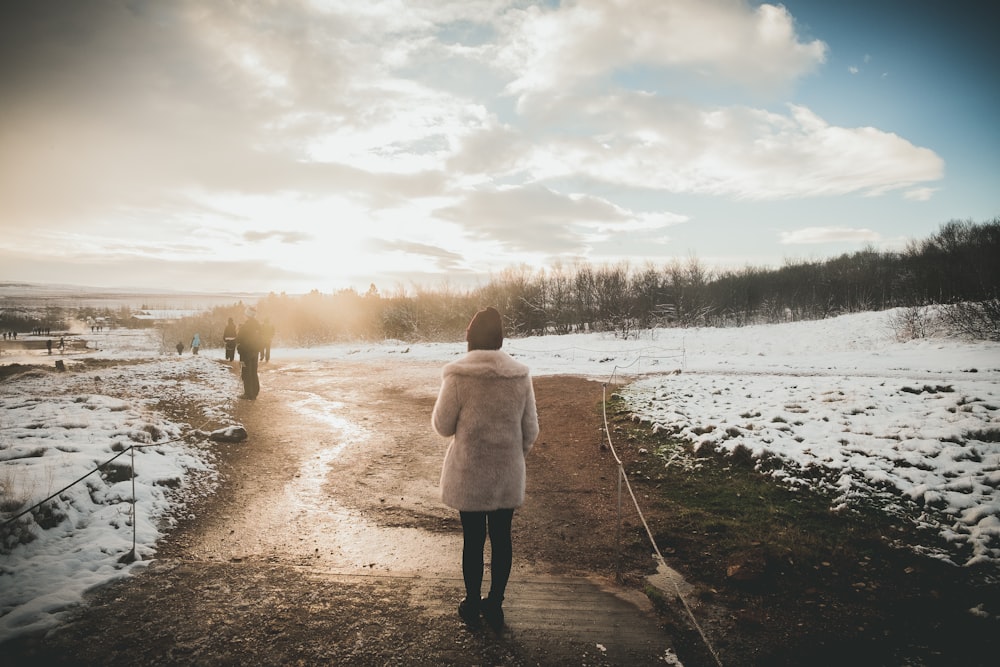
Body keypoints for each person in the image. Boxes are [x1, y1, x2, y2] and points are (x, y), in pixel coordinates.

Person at [432, 307, 539, 632]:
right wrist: (511, 456)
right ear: (499, 338)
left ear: (470, 337)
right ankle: (495, 604)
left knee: (474, 540)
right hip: (506, 475)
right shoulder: (519, 375)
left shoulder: (459, 375)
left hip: (469, 475)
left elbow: (442, 425)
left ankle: (471, 602)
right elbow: (530, 430)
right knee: (502, 539)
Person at [236, 308, 262, 399]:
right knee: (253, 372)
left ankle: (248, 394)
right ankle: (254, 392)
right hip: (255, 352)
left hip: (245, 353)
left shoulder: (245, 327)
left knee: (246, 372)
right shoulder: (258, 325)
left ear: (247, 315)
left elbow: (239, 339)